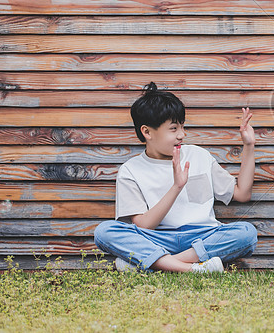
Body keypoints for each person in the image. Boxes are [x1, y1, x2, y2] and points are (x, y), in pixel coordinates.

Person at [94, 82, 257, 273]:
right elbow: (144, 225)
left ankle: (158, 265)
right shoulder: (131, 170)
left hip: (201, 237)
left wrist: (249, 145)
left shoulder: (199, 155)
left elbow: (242, 193)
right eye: (173, 129)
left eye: (182, 126)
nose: (182, 134)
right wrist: (176, 187)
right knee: (104, 232)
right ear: (147, 132)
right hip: (157, 239)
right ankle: (195, 269)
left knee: (247, 233)